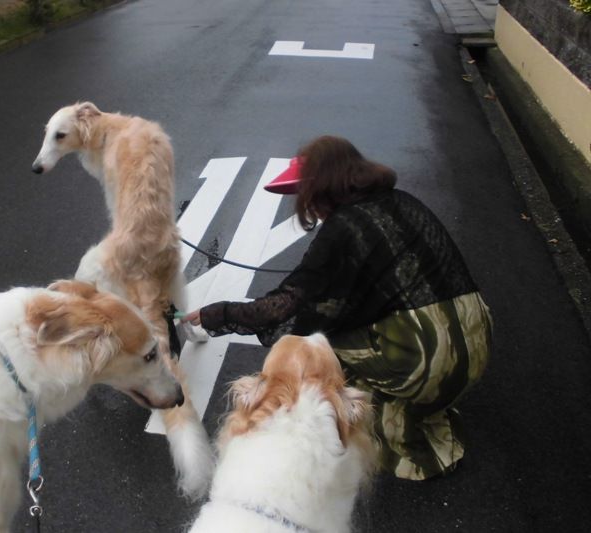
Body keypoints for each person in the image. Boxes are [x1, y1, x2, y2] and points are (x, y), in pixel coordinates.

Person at [183, 135, 492, 481]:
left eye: (306, 193)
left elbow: (286, 308)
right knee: (340, 330)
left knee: (317, 348)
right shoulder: (401, 201)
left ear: (324, 187)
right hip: (474, 341)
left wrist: (217, 314)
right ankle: (421, 401)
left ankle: (386, 426)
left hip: (426, 357)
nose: (306, 204)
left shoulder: (344, 228)